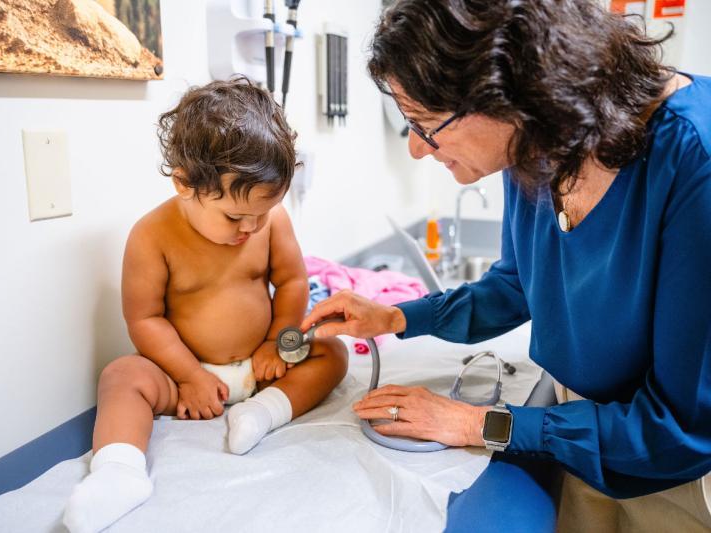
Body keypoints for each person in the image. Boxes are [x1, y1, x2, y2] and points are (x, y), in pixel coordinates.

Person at [302, 1, 711, 531]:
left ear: (504, 95)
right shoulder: (538, 143)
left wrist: (479, 423)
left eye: (424, 125)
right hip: (586, 442)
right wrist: (396, 318)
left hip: (678, 472)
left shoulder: (692, 160)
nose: (417, 149)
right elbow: (520, 283)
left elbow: (680, 429)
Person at [63, 77, 348, 533]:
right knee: (122, 376)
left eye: (262, 213)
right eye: (236, 216)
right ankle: (119, 471)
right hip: (189, 376)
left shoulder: (268, 223)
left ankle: (264, 411)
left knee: (333, 352)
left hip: (263, 365)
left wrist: (278, 340)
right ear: (184, 184)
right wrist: (189, 376)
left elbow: (293, 279)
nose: (251, 228)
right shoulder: (151, 236)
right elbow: (145, 318)